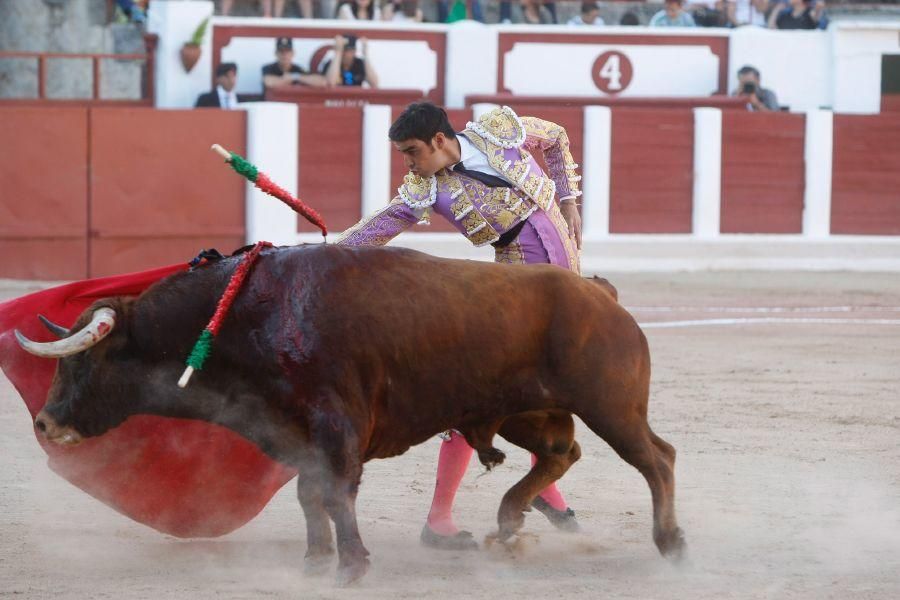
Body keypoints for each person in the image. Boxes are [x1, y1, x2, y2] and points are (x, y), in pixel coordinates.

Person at [335, 102, 584, 549]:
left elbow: (557, 135)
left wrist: (568, 200)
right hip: (517, 289)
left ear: (439, 140)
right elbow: (381, 226)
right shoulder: (426, 188)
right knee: (480, 395)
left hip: (567, 276)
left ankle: (545, 491)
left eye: (412, 151)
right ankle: (440, 518)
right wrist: (333, 253)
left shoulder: (500, 131)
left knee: (545, 390)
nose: (409, 163)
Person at [262, 37, 327, 95]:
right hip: (272, 105)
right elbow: (268, 82)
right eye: (281, 51)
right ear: (276, 53)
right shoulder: (268, 68)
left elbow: (322, 82)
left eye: (287, 51)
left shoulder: (298, 69)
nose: (284, 55)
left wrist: (295, 76)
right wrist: (286, 79)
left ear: (293, 53)